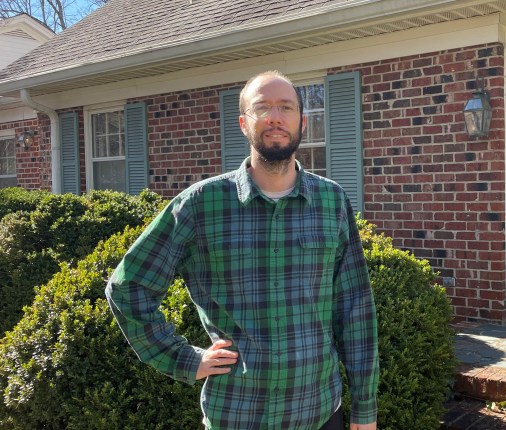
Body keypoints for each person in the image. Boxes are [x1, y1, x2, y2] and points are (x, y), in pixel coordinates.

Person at [106, 70, 379, 430]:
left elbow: (355, 308)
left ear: (302, 121)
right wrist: (184, 359)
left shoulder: (332, 201)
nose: (275, 117)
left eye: (286, 107)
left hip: (320, 411)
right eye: (262, 107)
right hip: (237, 414)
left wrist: (364, 407)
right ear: (243, 123)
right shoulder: (201, 205)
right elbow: (129, 287)